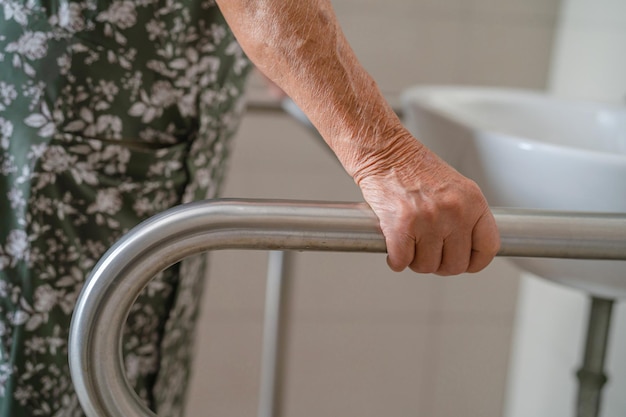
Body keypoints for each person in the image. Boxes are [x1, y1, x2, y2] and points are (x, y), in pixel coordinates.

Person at [0, 0, 500, 415]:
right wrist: (385, 155)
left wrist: (293, 53)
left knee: (130, 361)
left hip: (149, 116)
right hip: (70, 115)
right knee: (56, 374)